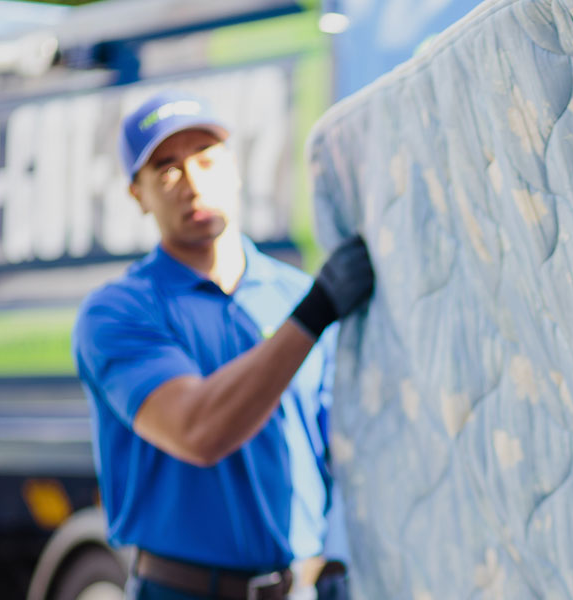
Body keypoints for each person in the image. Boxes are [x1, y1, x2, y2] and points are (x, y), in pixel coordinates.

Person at [72, 91, 374, 600]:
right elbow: (198, 430)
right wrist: (315, 314)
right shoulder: (119, 311)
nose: (192, 182)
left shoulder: (293, 292)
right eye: (166, 169)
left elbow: (350, 447)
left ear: (235, 168)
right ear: (137, 195)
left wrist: (339, 556)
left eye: (206, 159)